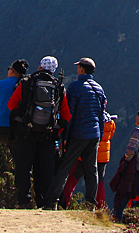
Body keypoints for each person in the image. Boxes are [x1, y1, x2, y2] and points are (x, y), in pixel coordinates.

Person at [44, 57, 106, 210]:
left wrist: (64, 136)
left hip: (79, 133)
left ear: (82, 70)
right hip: (94, 135)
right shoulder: (99, 89)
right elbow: (101, 115)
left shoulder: (75, 87)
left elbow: (69, 114)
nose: (77, 69)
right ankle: (91, 203)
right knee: (91, 169)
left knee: (64, 167)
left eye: (78, 67)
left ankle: (52, 201)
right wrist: (100, 134)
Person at [7, 56, 70, 208]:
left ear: (40, 66)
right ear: (54, 70)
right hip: (47, 135)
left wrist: (21, 120)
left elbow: (12, 104)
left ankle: (24, 201)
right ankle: (46, 202)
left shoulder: (27, 82)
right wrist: (55, 129)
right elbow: (66, 116)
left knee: (23, 167)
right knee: (46, 170)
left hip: (26, 132)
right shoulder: (58, 87)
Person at [62, 112, 117, 209]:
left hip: (85, 155)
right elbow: (110, 135)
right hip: (102, 158)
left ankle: (63, 203)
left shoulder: (90, 119)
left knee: (72, 179)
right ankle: (100, 208)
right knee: (99, 183)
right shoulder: (110, 122)